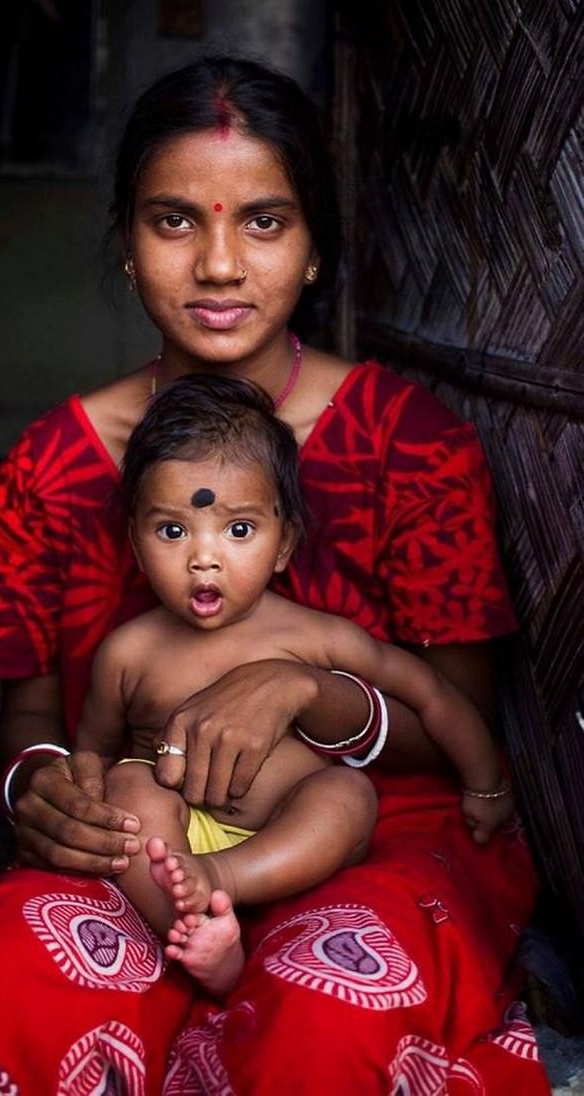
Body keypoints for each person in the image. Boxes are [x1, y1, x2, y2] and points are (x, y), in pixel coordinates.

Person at [0, 54, 547, 1094]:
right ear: (127, 247)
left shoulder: (412, 446)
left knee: (327, 1016)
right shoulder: (54, 463)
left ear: (317, 249)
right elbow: (35, 723)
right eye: (175, 220)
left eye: (265, 222)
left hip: (375, 833)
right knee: (1, 984)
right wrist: (40, 789)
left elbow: (460, 726)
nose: (220, 264)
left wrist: (316, 692)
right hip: (138, 849)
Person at [78, 372, 515, 998]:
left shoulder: (316, 637)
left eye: (238, 530)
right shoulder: (127, 653)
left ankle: (219, 880)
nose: (204, 557)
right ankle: (199, 933)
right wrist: (91, 797)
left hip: (288, 833)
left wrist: (486, 783)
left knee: (345, 794)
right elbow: (90, 756)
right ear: (137, 546)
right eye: (173, 531)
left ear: (285, 544)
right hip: (174, 842)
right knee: (126, 784)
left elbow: (434, 696)